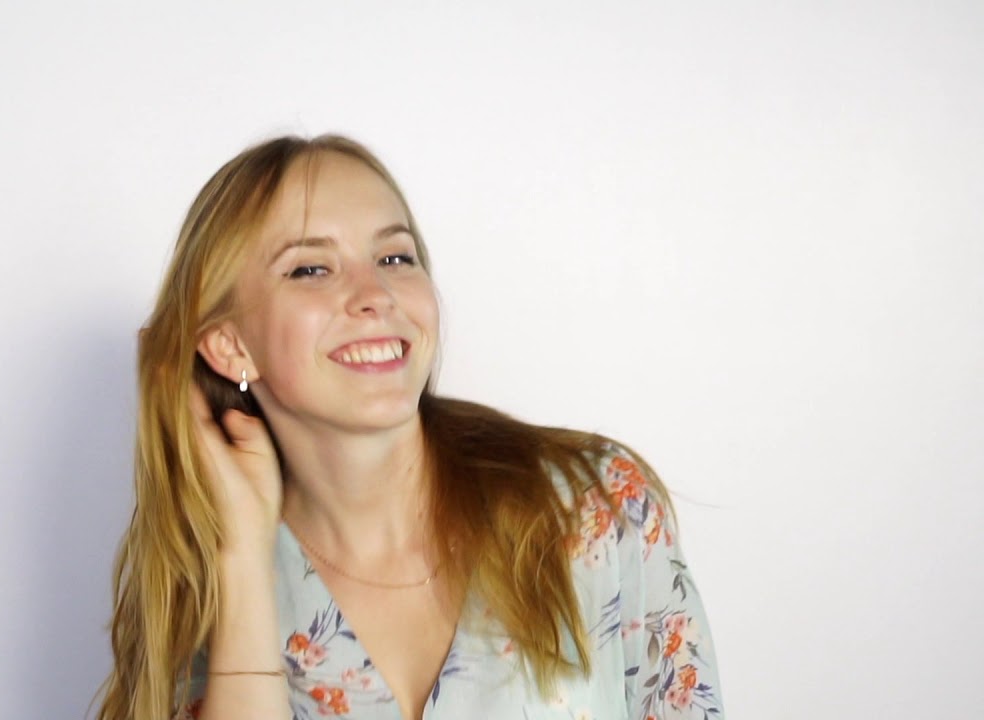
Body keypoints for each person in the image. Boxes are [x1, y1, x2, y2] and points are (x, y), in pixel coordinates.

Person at [96, 135, 723, 720]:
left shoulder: (594, 506)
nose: (376, 293)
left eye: (395, 257)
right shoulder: (203, 590)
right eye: (311, 268)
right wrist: (240, 553)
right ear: (231, 344)